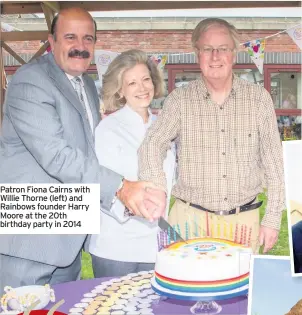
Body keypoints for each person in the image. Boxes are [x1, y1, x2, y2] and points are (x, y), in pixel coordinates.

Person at [0, 8, 165, 290]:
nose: (80, 46)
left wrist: (121, 203)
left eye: (88, 39)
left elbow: (89, 152)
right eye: (70, 37)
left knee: (64, 305)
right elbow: (57, 156)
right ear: (51, 41)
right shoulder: (31, 80)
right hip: (31, 233)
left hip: (70, 234)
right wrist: (122, 188)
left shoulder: (87, 84)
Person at [138, 18, 285, 254]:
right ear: (198, 53)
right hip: (189, 222)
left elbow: (274, 163)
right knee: (186, 288)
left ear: (234, 54)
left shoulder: (259, 99)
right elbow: (151, 145)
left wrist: (272, 218)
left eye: (222, 49)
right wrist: (156, 187)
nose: (215, 56)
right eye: (208, 49)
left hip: (243, 223)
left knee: (240, 289)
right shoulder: (179, 100)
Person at [89, 49, 176, 277]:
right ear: (120, 90)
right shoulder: (107, 130)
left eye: (146, 79)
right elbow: (99, 186)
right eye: (132, 83)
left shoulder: (164, 128)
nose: (142, 88)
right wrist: (135, 208)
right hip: (116, 247)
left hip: (156, 247)